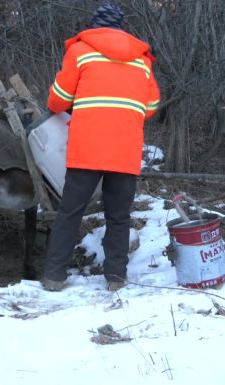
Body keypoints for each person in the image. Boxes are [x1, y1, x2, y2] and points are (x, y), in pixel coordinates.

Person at [41, 3, 160, 292]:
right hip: (125, 151)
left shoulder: (80, 51)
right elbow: (152, 105)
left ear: (95, 26)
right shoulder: (141, 60)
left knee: (70, 212)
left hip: (87, 149)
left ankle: (55, 276)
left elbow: (57, 100)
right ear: (122, 27)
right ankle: (116, 278)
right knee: (118, 216)